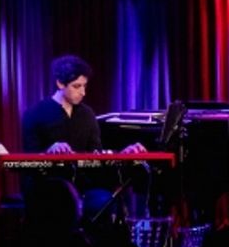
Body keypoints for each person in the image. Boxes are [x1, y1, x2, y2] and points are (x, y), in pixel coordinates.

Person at [20, 54, 146, 213]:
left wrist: (122, 155)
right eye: (76, 86)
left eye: (84, 86)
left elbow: (96, 157)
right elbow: (27, 162)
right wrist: (48, 152)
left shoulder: (87, 114)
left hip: (82, 189)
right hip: (47, 188)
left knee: (106, 201)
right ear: (60, 83)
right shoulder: (35, 114)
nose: (83, 92)